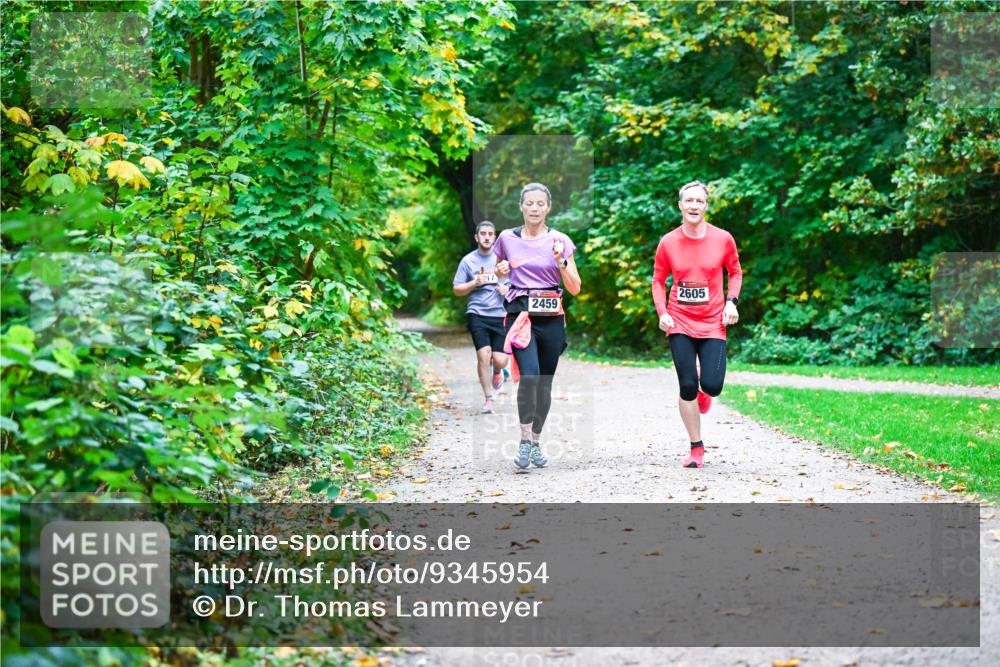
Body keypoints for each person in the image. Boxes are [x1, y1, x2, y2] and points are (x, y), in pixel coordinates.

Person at [651, 180, 742, 468]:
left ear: (706, 206)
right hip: (679, 321)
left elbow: (735, 272)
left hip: (714, 322)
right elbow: (657, 280)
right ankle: (696, 447)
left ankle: (706, 391)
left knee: (712, 386)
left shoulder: (723, 238)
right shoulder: (668, 242)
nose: (693, 206)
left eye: (699, 201)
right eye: (688, 201)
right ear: (680, 205)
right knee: (687, 384)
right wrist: (662, 312)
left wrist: (732, 301)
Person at [494, 183, 582, 470]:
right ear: (521, 206)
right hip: (521, 315)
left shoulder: (560, 241)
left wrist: (561, 262)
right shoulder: (506, 239)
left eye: (539, 204)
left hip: (552, 316)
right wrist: (501, 275)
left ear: (548, 207)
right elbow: (497, 277)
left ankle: (535, 440)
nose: (534, 209)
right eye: (529, 203)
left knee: (544, 383)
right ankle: (522, 441)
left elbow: (575, 288)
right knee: (529, 376)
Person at [453, 220, 511, 414]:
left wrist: (508, 289)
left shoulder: (504, 260)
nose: (487, 237)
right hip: (477, 313)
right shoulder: (468, 261)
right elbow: (457, 289)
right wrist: (473, 283)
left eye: (490, 234)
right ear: (477, 237)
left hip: (501, 314)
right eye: (483, 234)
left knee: (500, 360)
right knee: (483, 356)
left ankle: (499, 370)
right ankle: (488, 399)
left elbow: (519, 284)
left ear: (494, 237)